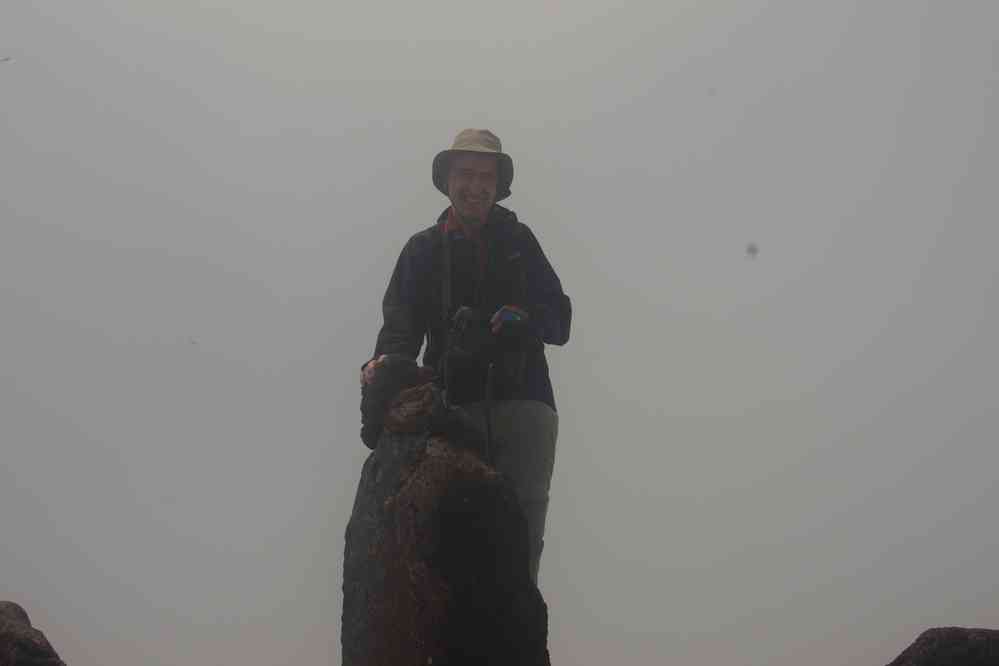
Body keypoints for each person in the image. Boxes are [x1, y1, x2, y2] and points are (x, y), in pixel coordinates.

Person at [360, 128, 571, 583]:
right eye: (465, 175)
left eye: (485, 177)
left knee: (518, 542)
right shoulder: (422, 251)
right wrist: (383, 370)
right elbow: (399, 333)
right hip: (450, 408)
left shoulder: (520, 243)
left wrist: (523, 318)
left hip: (524, 409)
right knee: (448, 544)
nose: (475, 186)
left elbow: (561, 321)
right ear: (447, 180)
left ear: (498, 187)